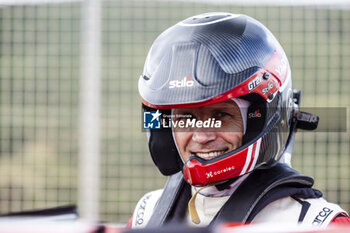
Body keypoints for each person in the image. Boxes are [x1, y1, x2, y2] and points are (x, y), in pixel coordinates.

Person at [128, 12, 350, 228]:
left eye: (221, 116)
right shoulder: (147, 212)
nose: (202, 136)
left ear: (258, 120)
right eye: (186, 117)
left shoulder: (314, 223)